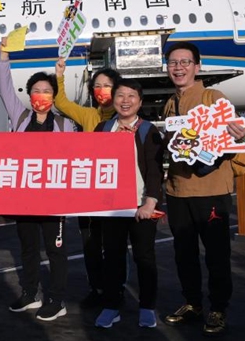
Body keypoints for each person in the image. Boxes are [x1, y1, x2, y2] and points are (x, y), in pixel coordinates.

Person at [161, 41, 245, 337]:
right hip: (177, 190)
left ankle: (218, 308)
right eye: (173, 62)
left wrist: (241, 133)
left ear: (197, 66)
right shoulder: (170, 103)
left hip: (210, 189)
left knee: (216, 254)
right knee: (183, 253)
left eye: (185, 62)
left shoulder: (213, 97)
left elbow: (234, 137)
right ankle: (192, 303)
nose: (179, 67)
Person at [0, 38, 79, 322]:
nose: (41, 95)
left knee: (56, 251)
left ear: (54, 96)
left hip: (54, 201)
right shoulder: (20, 118)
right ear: (29, 94)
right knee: (28, 248)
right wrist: (3, 55)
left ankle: (56, 299)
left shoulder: (64, 124)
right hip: (25, 200)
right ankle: (30, 293)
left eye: (47, 91)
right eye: (36, 91)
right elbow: (5, 87)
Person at [92, 79, 164, 329]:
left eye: (131, 96)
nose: (125, 101)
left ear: (140, 102)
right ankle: (112, 306)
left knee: (145, 258)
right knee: (112, 258)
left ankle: (147, 306)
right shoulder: (103, 128)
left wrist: (149, 203)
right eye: (120, 95)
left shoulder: (148, 130)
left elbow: (155, 172)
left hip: (141, 206)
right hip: (111, 207)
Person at [54, 59, 122, 309]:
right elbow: (61, 103)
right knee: (90, 245)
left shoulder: (123, 117)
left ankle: (116, 289)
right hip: (89, 194)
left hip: (115, 196)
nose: (101, 90)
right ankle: (97, 288)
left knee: (114, 247)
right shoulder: (88, 114)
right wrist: (59, 76)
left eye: (107, 85)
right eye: (97, 85)